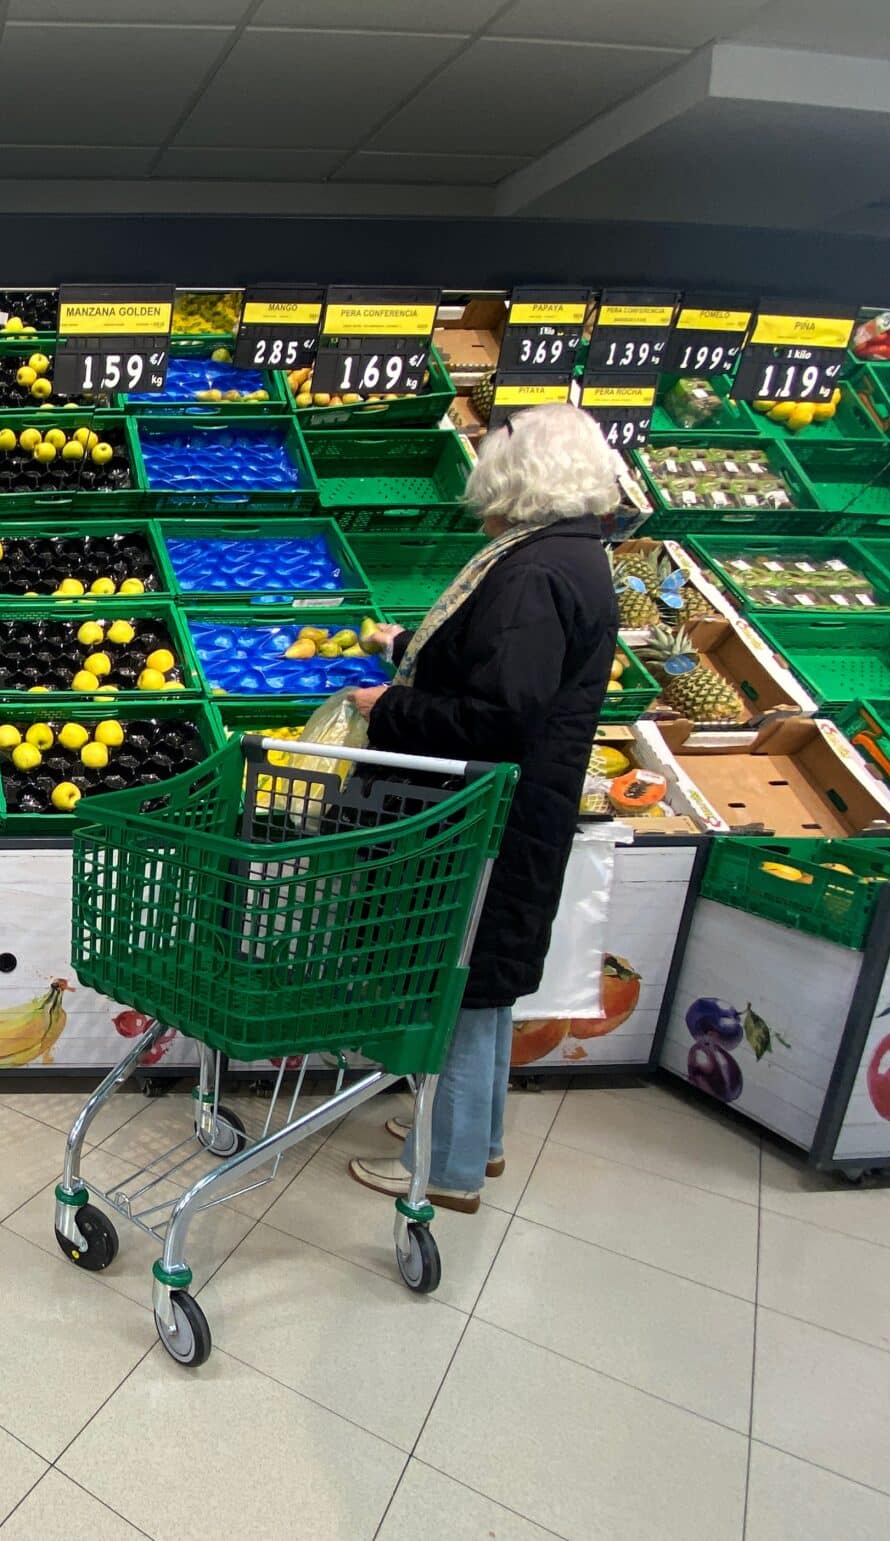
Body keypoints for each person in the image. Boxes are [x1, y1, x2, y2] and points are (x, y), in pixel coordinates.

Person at [344, 401, 620, 1214]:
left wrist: (384, 705)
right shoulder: (572, 554)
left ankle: (450, 1168)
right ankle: (484, 1139)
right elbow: (504, 668)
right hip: (525, 808)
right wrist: (408, 649)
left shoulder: (533, 571)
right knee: (491, 981)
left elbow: (499, 713)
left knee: (461, 979)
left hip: (491, 815)